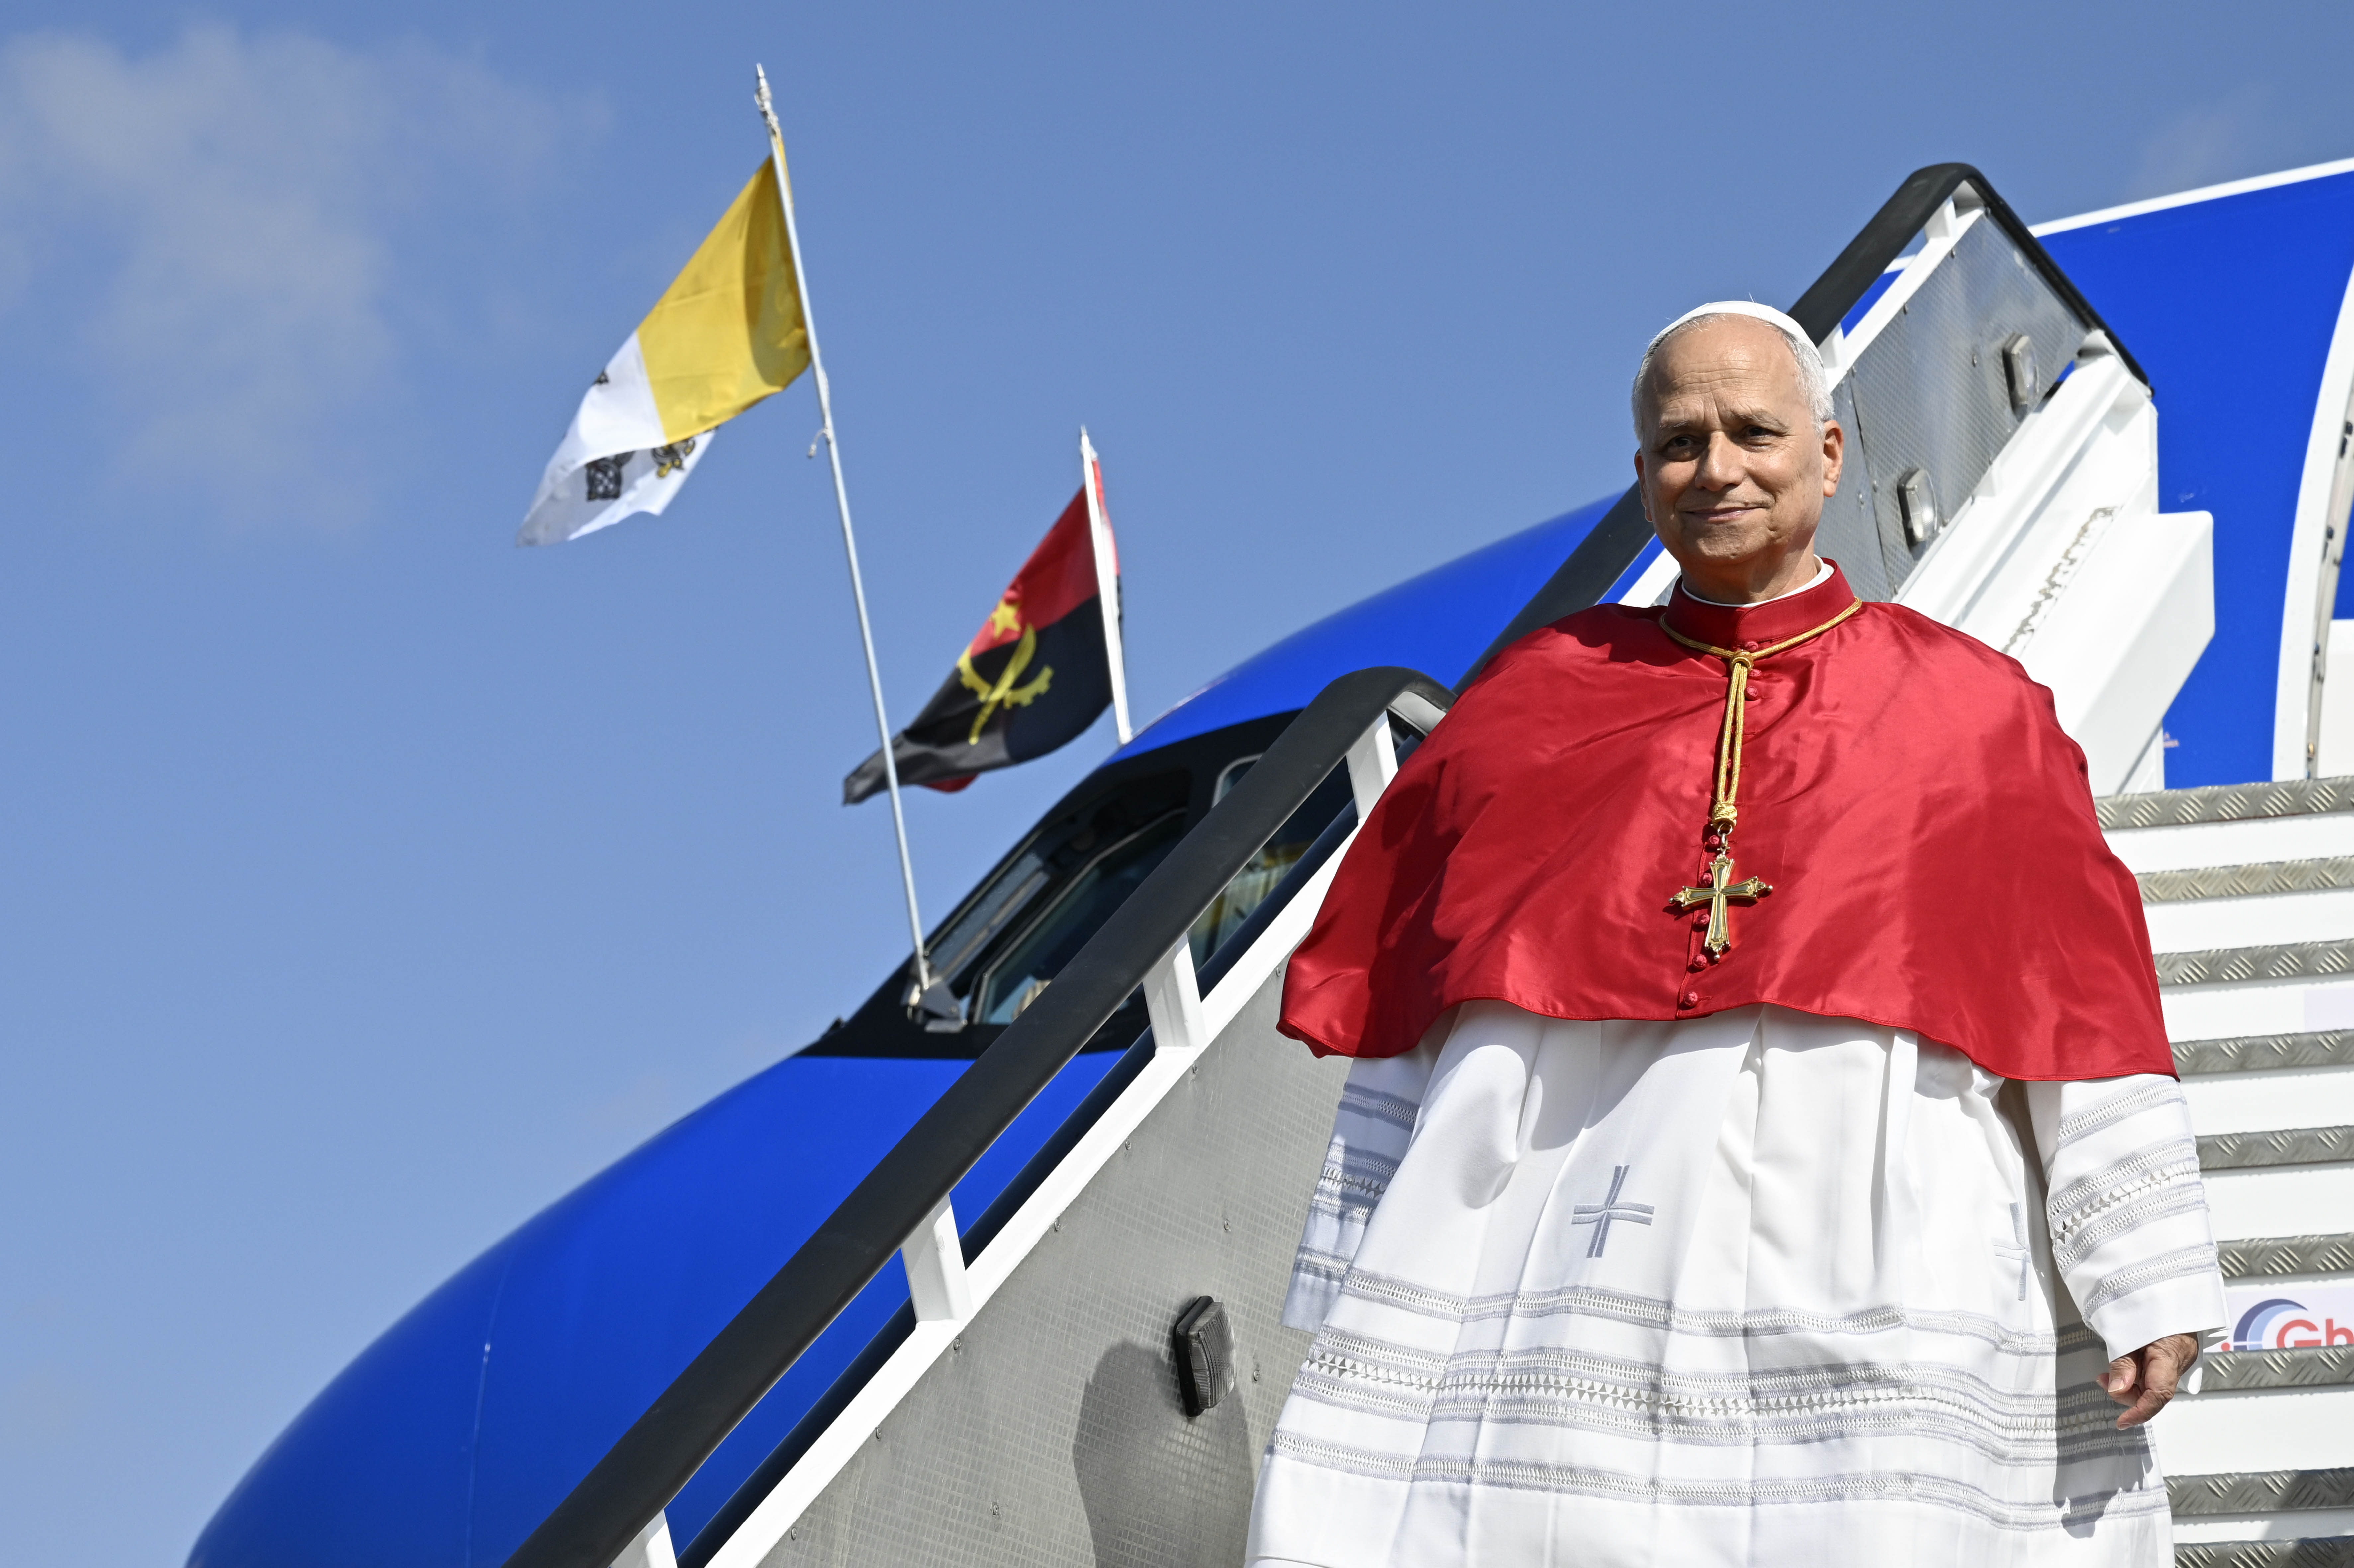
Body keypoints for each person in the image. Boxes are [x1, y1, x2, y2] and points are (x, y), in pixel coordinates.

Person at [1244, 302, 2223, 1567]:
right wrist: (1368, 1252)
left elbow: (2075, 1007)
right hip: (1572, 1249)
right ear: (1643, 473)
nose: (1716, 469)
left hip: (1882, 1236)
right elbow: (1422, 1006)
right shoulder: (1529, 702)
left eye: (1753, 431)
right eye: (1677, 441)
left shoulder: (1977, 711)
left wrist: (2140, 1274)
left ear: (1828, 454)